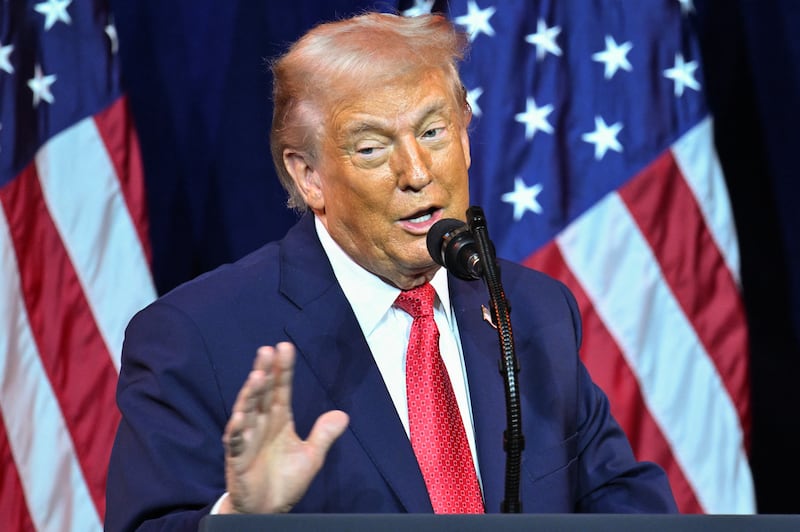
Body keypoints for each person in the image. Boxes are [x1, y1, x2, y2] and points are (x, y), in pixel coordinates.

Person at [105, 11, 677, 531]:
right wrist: (242, 518)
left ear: (465, 135)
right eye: (372, 148)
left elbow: (619, 499)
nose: (417, 172)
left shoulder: (532, 310)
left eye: (432, 132)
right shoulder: (197, 337)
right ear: (309, 176)